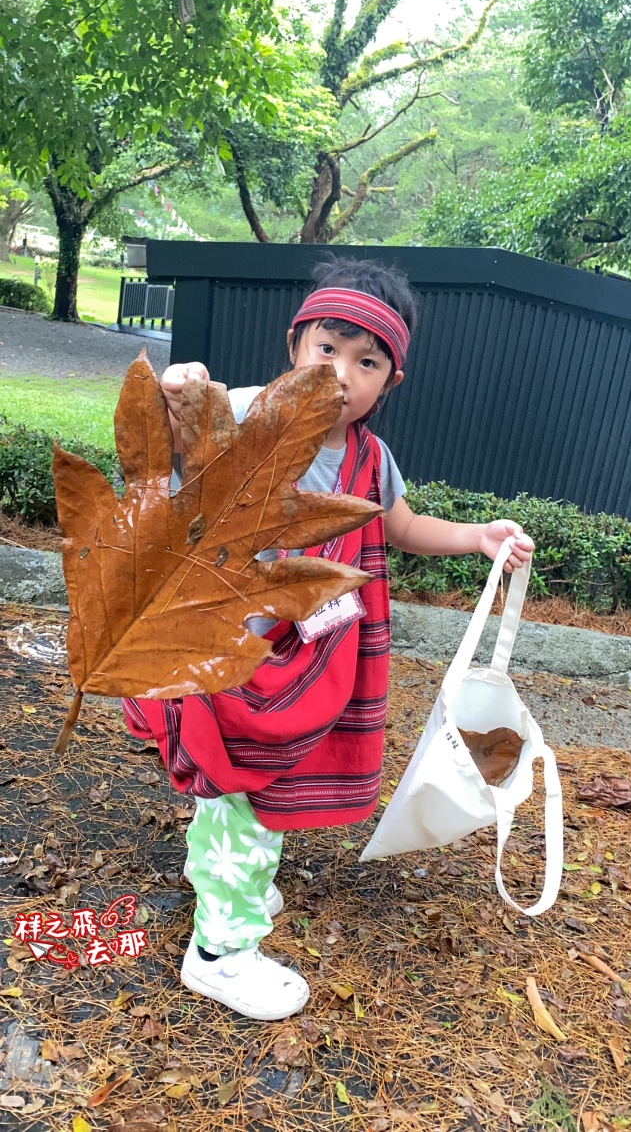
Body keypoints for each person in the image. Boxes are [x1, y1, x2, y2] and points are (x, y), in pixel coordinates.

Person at [123, 258, 534, 1021]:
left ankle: (223, 872)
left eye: (366, 360)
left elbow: (400, 526)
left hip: (312, 664)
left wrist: (478, 535)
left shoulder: (372, 460)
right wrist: (178, 392)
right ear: (294, 345)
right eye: (327, 348)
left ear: (390, 381)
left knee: (254, 791)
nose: (342, 373)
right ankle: (220, 951)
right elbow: (183, 438)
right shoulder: (249, 412)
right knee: (253, 789)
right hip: (235, 656)